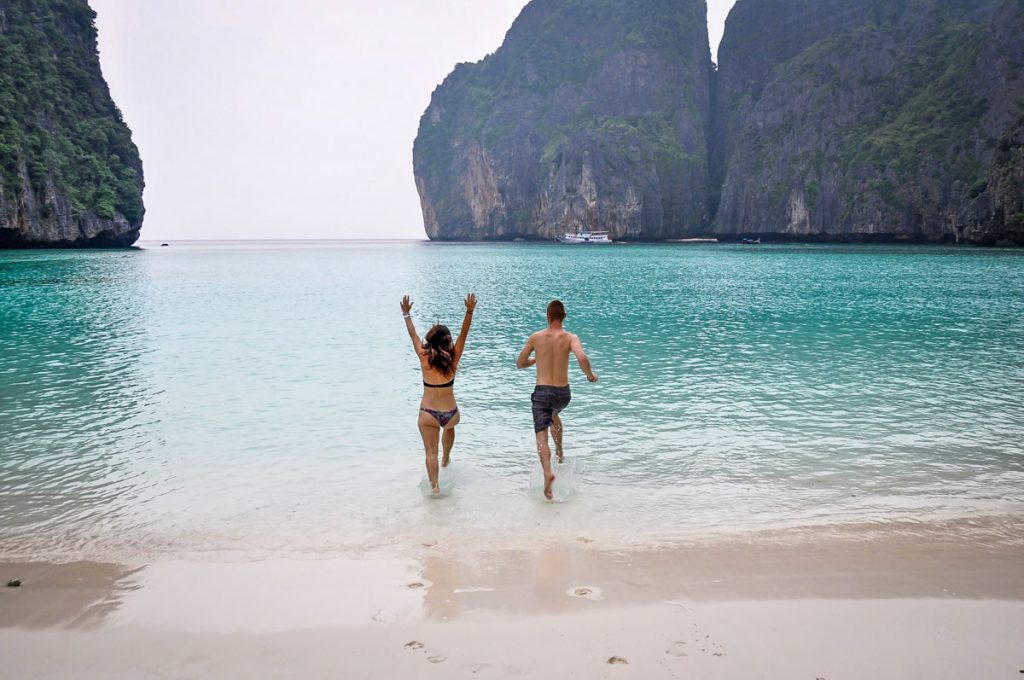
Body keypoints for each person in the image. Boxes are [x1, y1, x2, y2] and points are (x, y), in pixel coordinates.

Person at [516, 300, 597, 499]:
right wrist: (590, 375)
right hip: (562, 394)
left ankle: (548, 473)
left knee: (541, 436)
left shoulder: (536, 337)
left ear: (547, 316)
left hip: (542, 392)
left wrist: (536, 359)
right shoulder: (570, 337)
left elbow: (520, 363)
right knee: (553, 415)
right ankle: (560, 453)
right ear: (564, 317)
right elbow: (582, 358)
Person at [401, 293, 477, 495]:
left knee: (429, 452)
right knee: (449, 428)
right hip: (450, 411)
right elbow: (464, 334)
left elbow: (413, 335)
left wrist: (406, 314)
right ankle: (446, 458)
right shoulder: (453, 357)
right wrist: (469, 311)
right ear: (447, 341)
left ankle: (434, 487)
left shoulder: (423, 355)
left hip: (428, 413)